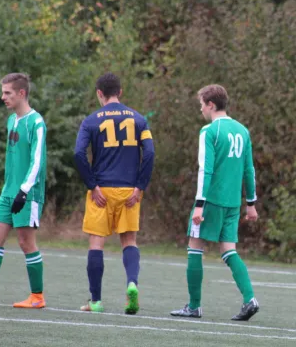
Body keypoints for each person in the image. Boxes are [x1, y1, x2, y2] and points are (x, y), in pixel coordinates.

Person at [170, 84, 259, 321]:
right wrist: (250, 203)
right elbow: (249, 169)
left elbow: (205, 170)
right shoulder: (242, 131)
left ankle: (194, 306)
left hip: (211, 201)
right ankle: (250, 299)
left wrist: (199, 205)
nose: (200, 109)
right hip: (233, 203)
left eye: (201, 105)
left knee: (194, 246)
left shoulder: (209, 131)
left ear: (210, 105)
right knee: (229, 251)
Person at [74, 73, 155, 314]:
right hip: (129, 191)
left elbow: (78, 154)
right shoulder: (139, 120)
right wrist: (140, 187)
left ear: (99, 93)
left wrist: (92, 185)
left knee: (96, 244)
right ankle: (132, 284)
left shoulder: (90, 121)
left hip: (101, 192)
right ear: (120, 92)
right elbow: (149, 154)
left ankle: (96, 301)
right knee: (129, 241)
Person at [0, 73, 47, 308]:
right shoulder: (11, 120)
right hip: (8, 191)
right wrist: (9, 188)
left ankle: (37, 297)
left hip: (28, 193)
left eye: (7, 93)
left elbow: (37, 161)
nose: (3, 97)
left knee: (26, 242)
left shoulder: (37, 123)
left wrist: (23, 191)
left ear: (21, 93)